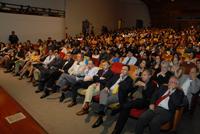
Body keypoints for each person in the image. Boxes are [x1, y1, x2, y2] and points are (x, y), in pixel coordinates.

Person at [112, 69, 158, 134]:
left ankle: (120, 107)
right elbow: (130, 90)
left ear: (149, 76)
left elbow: (148, 96)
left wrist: (145, 86)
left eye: (144, 75)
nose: (142, 76)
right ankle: (117, 130)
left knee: (130, 103)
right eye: (142, 75)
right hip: (131, 99)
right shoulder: (139, 80)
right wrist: (134, 85)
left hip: (142, 101)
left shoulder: (153, 84)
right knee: (125, 108)